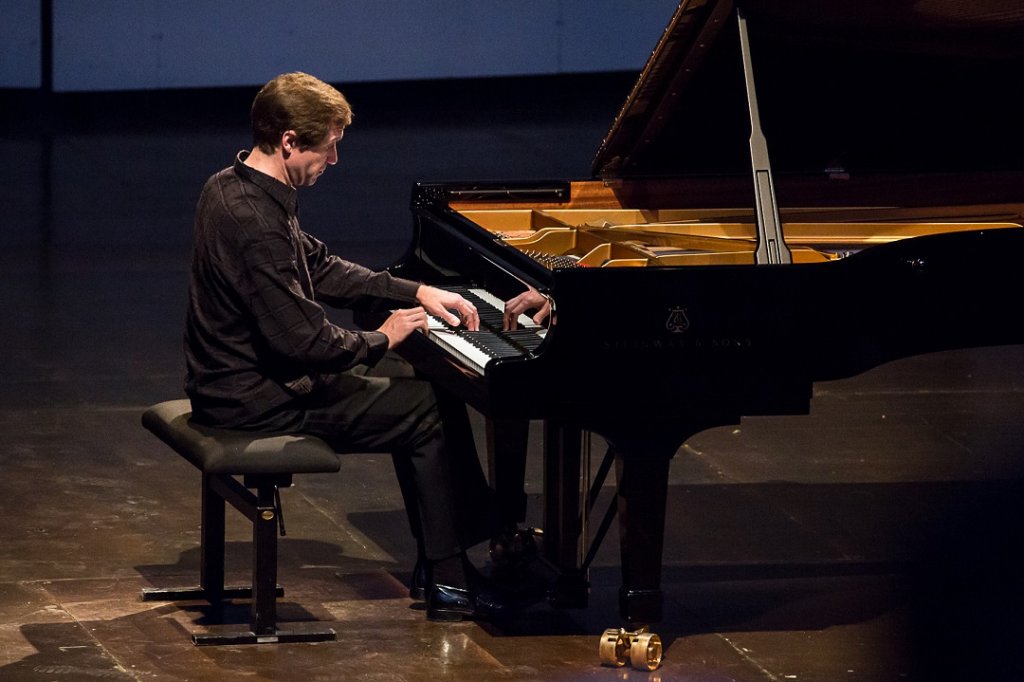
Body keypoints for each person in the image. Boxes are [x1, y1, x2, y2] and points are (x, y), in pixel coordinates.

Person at [183, 71, 507, 621]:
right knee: (425, 410)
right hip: (252, 397)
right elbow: (306, 342)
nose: (334, 161)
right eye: (329, 147)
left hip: (241, 378)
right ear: (290, 141)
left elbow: (320, 267)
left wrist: (419, 292)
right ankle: (451, 581)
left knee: (428, 381)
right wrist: (385, 336)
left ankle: (446, 556)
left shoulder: (232, 184)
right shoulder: (256, 220)